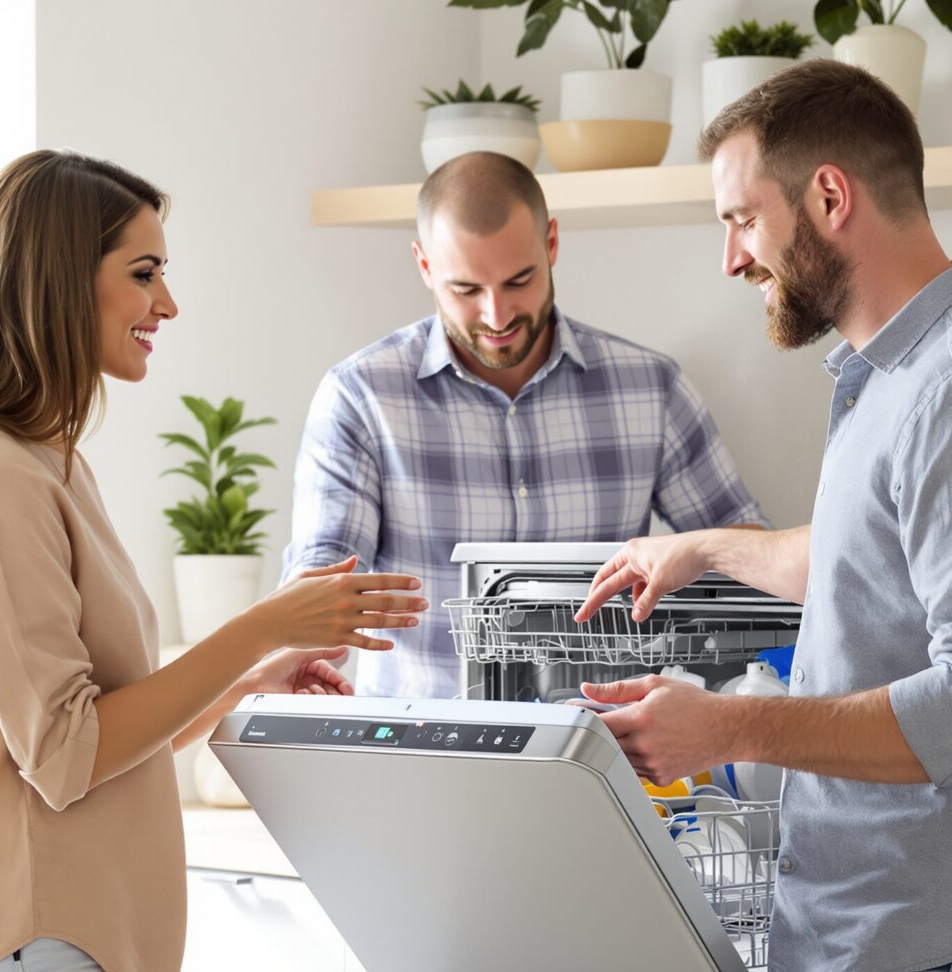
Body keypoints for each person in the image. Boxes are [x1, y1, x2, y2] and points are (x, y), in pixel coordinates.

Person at [574, 61, 952, 972]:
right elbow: (874, 561)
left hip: (938, 952)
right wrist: (702, 550)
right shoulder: (903, 379)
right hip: (882, 950)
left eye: (742, 218)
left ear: (829, 196)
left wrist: (725, 725)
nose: (732, 257)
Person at [0, 149, 425, 972]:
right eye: (143, 273)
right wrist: (268, 623)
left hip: (53, 954)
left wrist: (252, 676)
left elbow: (101, 738)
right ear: (57, 282)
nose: (167, 304)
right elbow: (65, 755)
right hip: (17, 952)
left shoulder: (48, 465)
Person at [283, 150, 766, 699]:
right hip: (421, 752)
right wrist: (302, 656)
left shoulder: (650, 389)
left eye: (519, 281)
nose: (497, 316)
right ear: (424, 265)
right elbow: (319, 578)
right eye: (465, 290)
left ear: (552, 243)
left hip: (607, 750)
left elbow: (748, 557)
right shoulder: (360, 397)